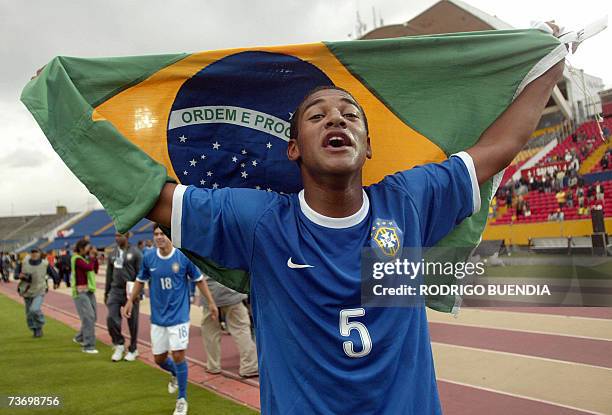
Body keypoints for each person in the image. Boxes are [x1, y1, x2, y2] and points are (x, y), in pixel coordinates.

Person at [144, 42, 565, 412]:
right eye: (317, 116)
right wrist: (77, 118)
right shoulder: (261, 222)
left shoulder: (406, 202)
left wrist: (551, 59)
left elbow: (500, 147)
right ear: (293, 148)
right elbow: (144, 194)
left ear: (368, 147)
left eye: (350, 115)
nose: (336, 120)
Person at [123, 224, 218, 415]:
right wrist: (130, 301)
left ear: (170, 236)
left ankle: (182, 399)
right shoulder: (149, 257)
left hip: (180, 316)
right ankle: (175, 372)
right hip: (158, 318)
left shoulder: (183, 257)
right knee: (159, 358)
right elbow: (141, 281)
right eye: (156, 234)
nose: (159, 237)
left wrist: (211, 303)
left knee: (178, 355)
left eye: (162, 234)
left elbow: (199, 280)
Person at [199, 275, 259, 378]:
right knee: (241, 329)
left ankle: (213, 366)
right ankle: (249, 366)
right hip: (231, 292)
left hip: (209, 293)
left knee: (210, 333)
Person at [105, 231, 143, 362]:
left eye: (119, 235)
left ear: (127, 236)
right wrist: (106, 292)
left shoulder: (136, 252)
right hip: (115, 290)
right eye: (115, 235)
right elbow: (109, 274)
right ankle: (119, 343)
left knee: (133, 322)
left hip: (131, 291)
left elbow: (141, 275)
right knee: (111, 318)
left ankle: (133, 348)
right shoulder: (112, 253)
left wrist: (138, 294)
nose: (116, 238)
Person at [15, 248, 58, 337]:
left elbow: (53, 273)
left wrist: (56, 282)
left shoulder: (44, 264)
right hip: (26, 290)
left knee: (34, 309)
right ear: (30, 254)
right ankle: (35, 329)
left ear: (39, 254)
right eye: (32, 252)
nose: (34, 254)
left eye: (36, 252)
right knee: (29, 313)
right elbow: (16, 274)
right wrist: (21, 276)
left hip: (39, 290)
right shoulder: (24, 262)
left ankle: (40, 323)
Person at [71, 239, 99, 353]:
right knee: (88, 317)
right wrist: (92, 257)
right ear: (81, 248)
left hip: (89, 291)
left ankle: (80, 337)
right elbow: (88, 268)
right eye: (88, 247)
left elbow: (95, 269)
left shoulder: (85, 258)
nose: (90, 249)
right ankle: (88, 346)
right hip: (80, 291)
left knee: (93, 317)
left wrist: (94, 258)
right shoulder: (76, 259)